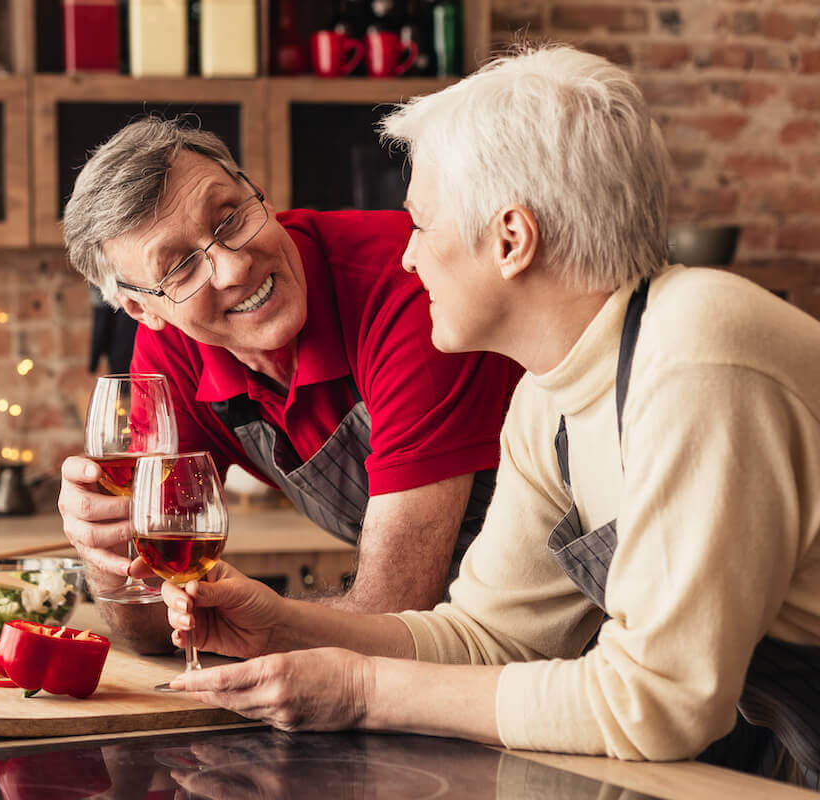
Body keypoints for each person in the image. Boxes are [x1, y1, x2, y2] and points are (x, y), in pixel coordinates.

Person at [158, 44, 820, 787]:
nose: (407, 259)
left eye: (420, 226)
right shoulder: (552, 390)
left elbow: (657, 705)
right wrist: (280, 625)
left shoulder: (697, 354)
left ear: (510, 240)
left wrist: (362, 688)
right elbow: (489, 638)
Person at [58, 116, 522, 649]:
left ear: (262, 197)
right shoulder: (173, 351)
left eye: (230, 218)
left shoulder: (406, 284)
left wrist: (252, 621)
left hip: (573, 618)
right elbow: (151, 627)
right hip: (443, 642)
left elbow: (393, 606)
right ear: (143, 309)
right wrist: (103, 550)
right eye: (181, 267)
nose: (233, 269)